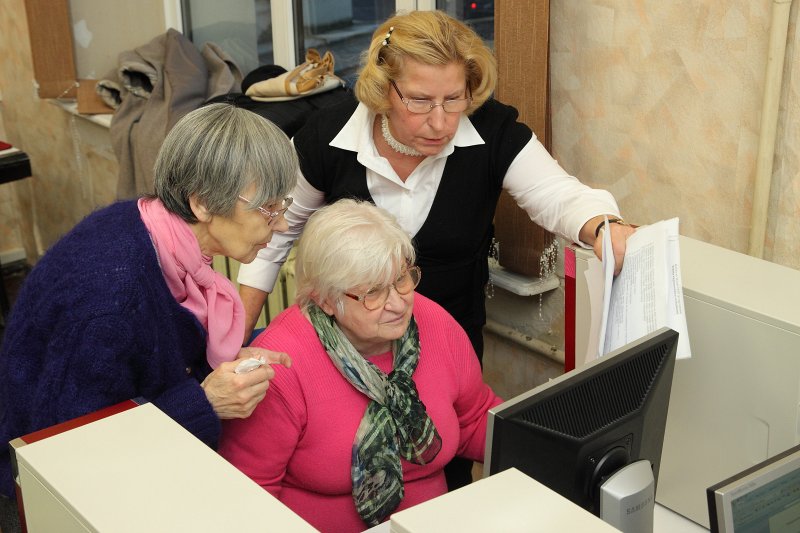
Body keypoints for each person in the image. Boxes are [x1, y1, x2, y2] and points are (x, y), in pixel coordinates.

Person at [235, 9, 636, 490]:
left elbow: (558, 195)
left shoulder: (491, 130)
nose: (441, 121)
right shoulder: (329, 135)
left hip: (448, 350)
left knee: (445, 465)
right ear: (385, 90)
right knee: (332, 466)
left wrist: (603, 226)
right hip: (342, 347)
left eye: (455, 99)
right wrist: (233, 343)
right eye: (421, 101)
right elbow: (273, 237)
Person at [0, 103, 298, 533]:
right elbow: (72, 452)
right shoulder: (112, 300)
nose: (283, 222)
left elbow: (152, 358)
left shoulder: (156, 232)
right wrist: (205, 401)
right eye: (269, 209)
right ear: (201, 203)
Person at [219, 199, 502, 532]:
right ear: (325, 300)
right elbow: (250, 496)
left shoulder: (435, 324)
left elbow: (472, 419)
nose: (398, 304)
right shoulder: (280, 365)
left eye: (402, 280)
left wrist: (539, 452)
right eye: (373, 293)